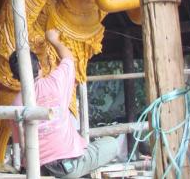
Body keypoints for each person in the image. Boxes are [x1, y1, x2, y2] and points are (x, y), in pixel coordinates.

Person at [10, 29, 118, 178]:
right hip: (65, 170)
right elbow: (68, 58)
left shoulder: (15, 103)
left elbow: (19, 141)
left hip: (36, 171)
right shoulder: (55, 82)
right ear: (40, 67)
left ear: (15, 77)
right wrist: (54, 40)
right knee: (112, 144)